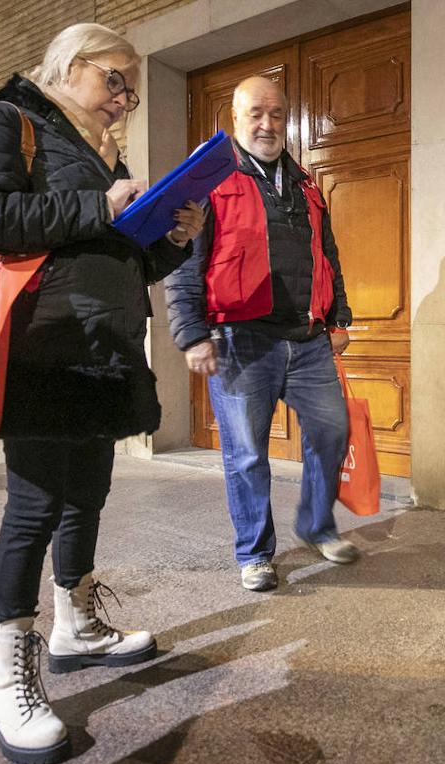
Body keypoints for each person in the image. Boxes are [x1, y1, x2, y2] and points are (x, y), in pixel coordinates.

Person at [0, 23, 204, 764]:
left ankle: (76, 627)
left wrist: (169, 240)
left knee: (87, 494)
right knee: (33, 510)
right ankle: (7, 683)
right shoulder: (4, 120)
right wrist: (101, 205)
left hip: (105, 352)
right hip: (40, 350)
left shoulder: (103, 152)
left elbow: (115, 261)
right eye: (114, 79)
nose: (124, 98)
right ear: (70, 63)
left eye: (131, 86)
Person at [164, 76, 357, 593]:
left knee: (332, 431)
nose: (267, 124)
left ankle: (316, 525)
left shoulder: (307, 184)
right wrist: (190, 334)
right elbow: (183, 261)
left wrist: (339, 317)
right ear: (234, 119)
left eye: (275, 114)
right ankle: (254, 552)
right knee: (247, 452)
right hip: (239, 341)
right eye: (256, 114)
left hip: (308, 338)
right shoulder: (206, 183)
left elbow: (327, 255)